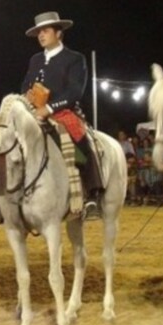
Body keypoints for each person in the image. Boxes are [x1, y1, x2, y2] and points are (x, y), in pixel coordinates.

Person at [21, 11, 103, 219]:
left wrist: (48, 108)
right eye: (39, 32)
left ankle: (93, 194)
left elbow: (75, 91)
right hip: (33, 112)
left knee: (80, 143)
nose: (41, 35)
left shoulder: (75, 59)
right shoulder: (35, 59)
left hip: (62, 112)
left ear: (58, 33)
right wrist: (26, 94)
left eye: (45, 31)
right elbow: (25, 85)